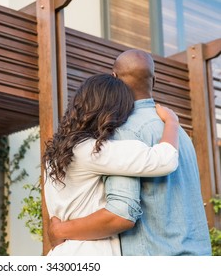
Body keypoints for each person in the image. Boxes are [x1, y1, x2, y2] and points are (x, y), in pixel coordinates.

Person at [48, 49, 212, 256]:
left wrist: (60, 229)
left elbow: (120, 213)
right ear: (155, 81)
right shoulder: (180, 134)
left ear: (115, 79)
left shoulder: (120, 131)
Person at [43, 73, 180, 256]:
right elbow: (165, 160)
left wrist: (59, 231)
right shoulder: (93, 151)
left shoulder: (57, 153)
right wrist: (172, 122)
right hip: (89, 253)